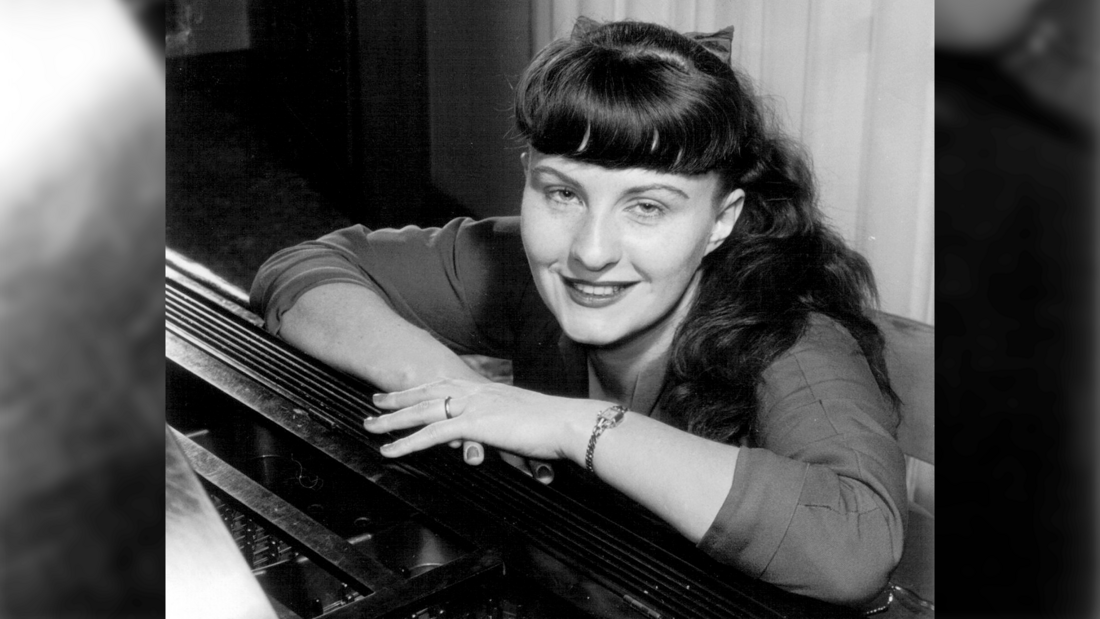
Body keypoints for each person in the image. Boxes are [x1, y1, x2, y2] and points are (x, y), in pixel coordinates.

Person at [251, 20, 907, 606]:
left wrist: (572, 425)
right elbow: (302, 270)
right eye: (563, 194)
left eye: (647, 207)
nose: (591, 252)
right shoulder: (520, 265)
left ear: (721, 220)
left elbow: (858, 546)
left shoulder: (797, 338)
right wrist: (452, 388)